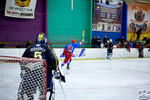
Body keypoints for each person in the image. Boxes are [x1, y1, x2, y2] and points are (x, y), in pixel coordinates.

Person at [17, 33, 59, 100]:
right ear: (45, 40)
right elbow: (53, 59)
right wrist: (55, 68)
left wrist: (23, 70)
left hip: (30, 73)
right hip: (44, 72)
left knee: (26, 94)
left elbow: (23, 61)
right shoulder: (46, 47)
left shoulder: (29, 47)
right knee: (47, 92)